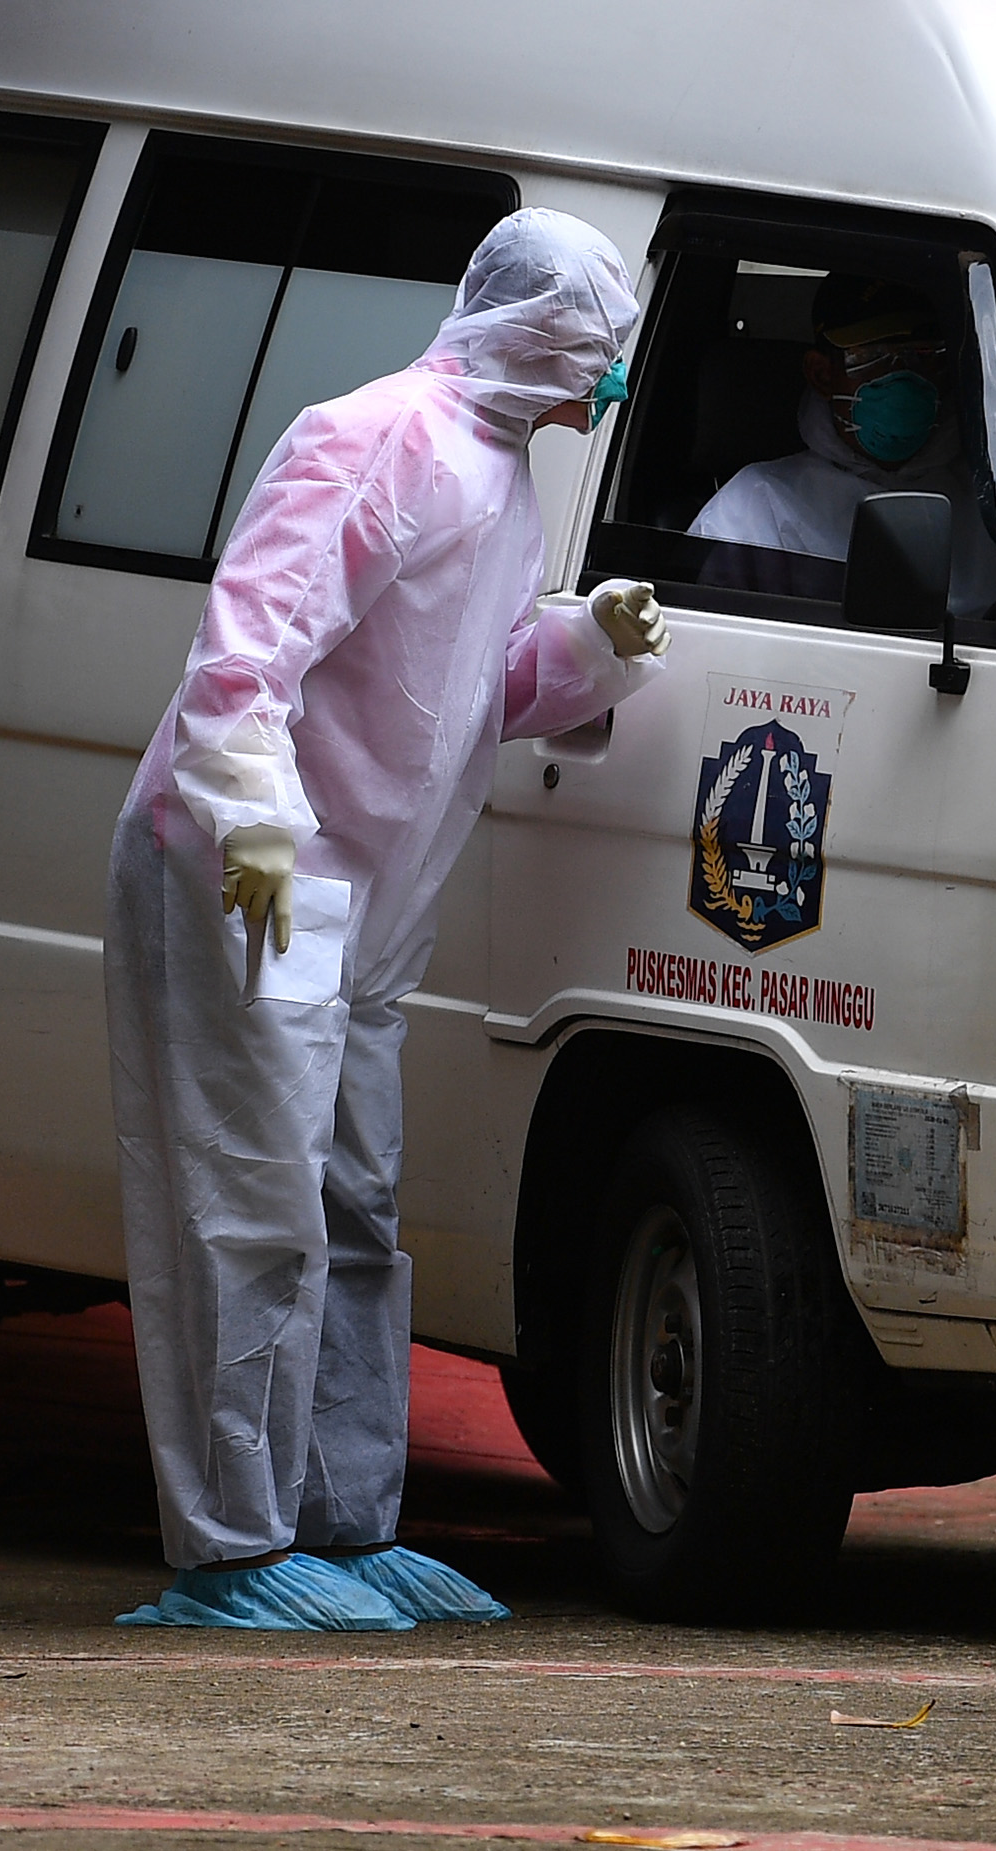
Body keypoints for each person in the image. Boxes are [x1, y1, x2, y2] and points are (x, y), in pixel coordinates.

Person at [104, 209, 670, 1632]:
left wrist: (586, 644)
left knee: (354, 1200)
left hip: (361, 904)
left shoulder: (502, 477)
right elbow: (244, 656)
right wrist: (251, 822)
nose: (608, 381)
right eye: (598, 349)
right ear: (538, 331)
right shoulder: (372, 438)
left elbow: (464, 692)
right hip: (261, 875)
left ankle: (344, 1522)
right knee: (254, 1199)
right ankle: (233, 1545)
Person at [689, 275, 978, 562]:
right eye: (873, 357)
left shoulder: (991, 503)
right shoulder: (754, 510)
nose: (902, 377)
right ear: (822, 374)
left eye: (923, 355)